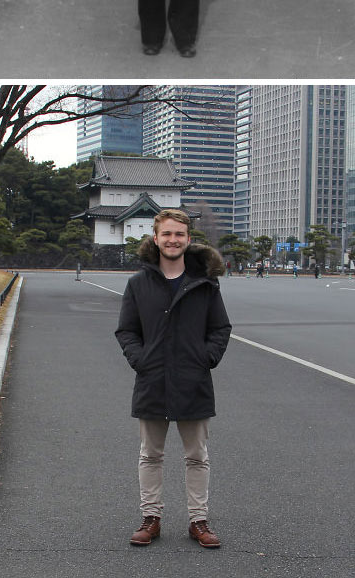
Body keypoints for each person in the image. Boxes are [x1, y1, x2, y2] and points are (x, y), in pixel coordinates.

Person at [115, 209, 231, 549]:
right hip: (152, 379)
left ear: (188, 239)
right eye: (166, 234)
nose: (173, 240)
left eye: (179, 234)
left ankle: (198, 520)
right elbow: (127, 330)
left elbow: (220, 328)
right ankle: (150, 518)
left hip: (193, 380)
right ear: (156, 238)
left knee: (197, 455)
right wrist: (141, 361)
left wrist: (206, 358)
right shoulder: (138, 284)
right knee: (150, 454)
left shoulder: (205, 284)